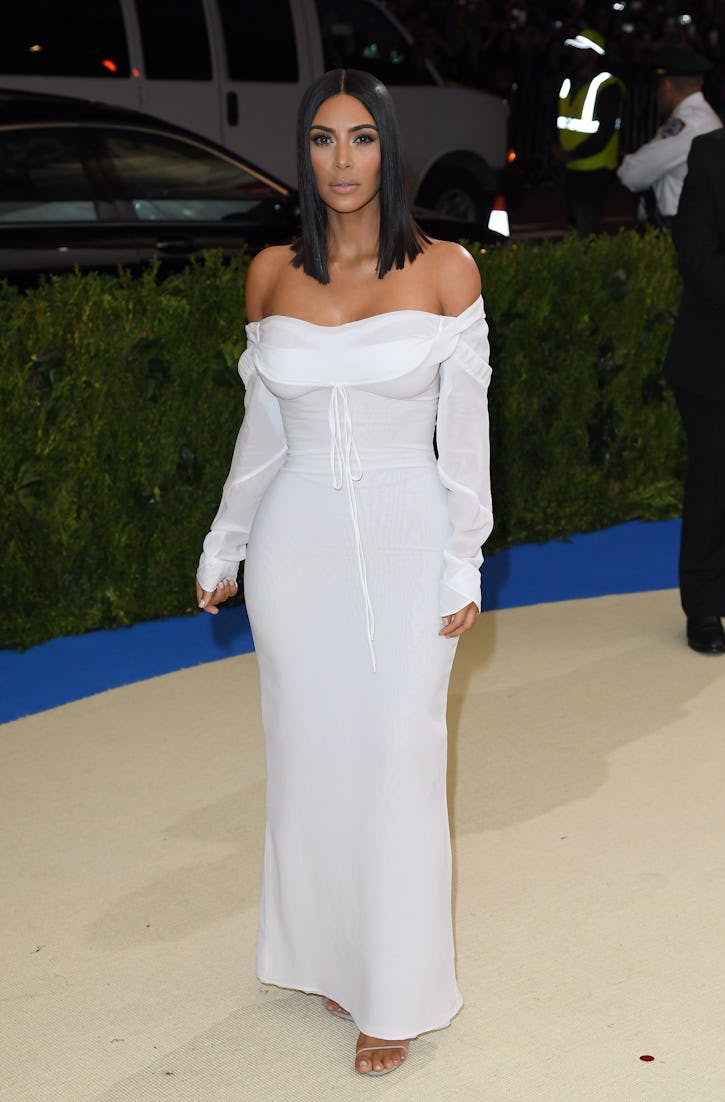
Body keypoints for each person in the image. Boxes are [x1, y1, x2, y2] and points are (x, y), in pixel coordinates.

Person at [195, 69, 493, 1075]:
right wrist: (225, 539)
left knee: (397, 761)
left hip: (410, 536)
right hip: (296, 542)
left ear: (390, 147)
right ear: (303, 152)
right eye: (323, 140)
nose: (342, 161)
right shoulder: (271, 271)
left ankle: (396, 989)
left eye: (361, 139)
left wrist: (463, 559)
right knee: (312, 756)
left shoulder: (447, 269)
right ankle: (329, 952)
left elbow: (467, 439)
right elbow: (263, 430)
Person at [662, 121, 725, 655]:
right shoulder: (714, 157)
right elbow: (696, 254)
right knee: (715, 485)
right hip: (720, 354)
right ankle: (705, 609)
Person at [617, 46, 721, 229]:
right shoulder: (702, 118)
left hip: (678, 229)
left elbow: (632, 175)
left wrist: (629, 161)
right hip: (690, 225)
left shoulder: (689, 125)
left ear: (666, 86)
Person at [552, 28, 626, 236]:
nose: (576, 53)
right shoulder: (567, 82)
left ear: (594, 54)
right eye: (575, 49)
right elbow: (557, 119)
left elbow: (604, 133)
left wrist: (570, 154)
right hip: (571, 166)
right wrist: (555, 148)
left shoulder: (607, 86)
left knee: (587, 228)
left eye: (581, 49)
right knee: (574, 226)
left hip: (595, 168)